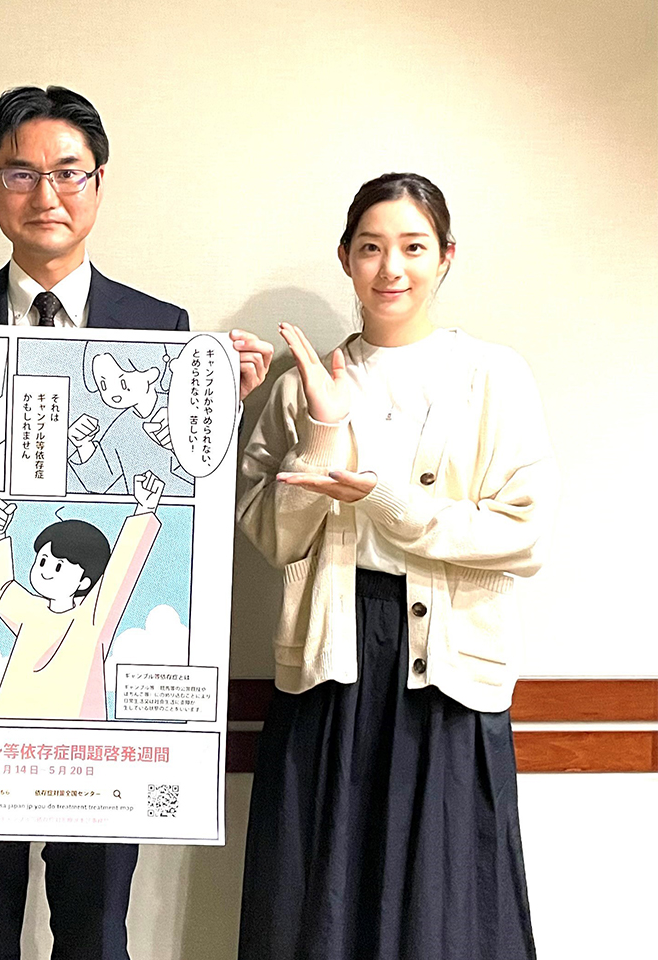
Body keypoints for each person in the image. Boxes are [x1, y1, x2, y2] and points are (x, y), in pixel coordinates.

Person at [0, 84, 272, 960]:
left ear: (100, 183)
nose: (47, 195)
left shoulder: (162, 329)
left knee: (96, 930)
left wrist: (217, 412)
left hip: (100, 735)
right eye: (21, 173)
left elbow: (178, 500)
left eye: (69, 172)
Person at [235, 172, 558, 960]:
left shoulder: (492, 377)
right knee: (319, 905)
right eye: (371, 248)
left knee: (445, 911)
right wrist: (321, 428)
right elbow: (273, 537)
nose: (392, 269)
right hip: (331, 661)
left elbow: (525, 535)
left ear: (446, 256)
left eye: (413, 247)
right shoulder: (300, 386)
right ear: (345, 258)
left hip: (446, 670)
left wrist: (387, 500)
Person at [0, 472, 164, 720]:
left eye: (59, 567)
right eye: (43, 561)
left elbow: (121, 573)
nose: (46, 571)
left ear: (85, 581)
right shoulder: (30, 610)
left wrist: (144, 509)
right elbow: (0, 590)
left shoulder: (92, 617)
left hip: (74, 726)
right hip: (12, 721)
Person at [69, 341, 194, 495]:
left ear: (151, 374)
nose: (114, 394)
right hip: (143, 506)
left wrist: (180, 447)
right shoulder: (121, 428)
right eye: (104, 386)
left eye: (123, 382)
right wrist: (84, 445)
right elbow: (99, 482)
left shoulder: (183, 409)